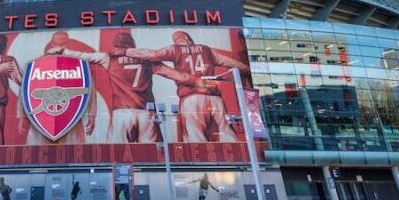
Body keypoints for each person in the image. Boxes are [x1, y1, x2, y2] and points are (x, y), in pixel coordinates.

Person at [49, 31, 215, 143]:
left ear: (116, 46)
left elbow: (83, 56)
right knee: (153, 159)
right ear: (132, 46)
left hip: (121, 113)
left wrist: (62, 51)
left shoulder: (108, 58)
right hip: (147, 114)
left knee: (116, 158)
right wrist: (201, 82)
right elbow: (178, 76)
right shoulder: (148, 61)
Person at [117, 31, 249, 142]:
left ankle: (201, 172)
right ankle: (246, 161)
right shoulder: (207, 50)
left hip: (191, 97)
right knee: (226, 132)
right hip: (214, 97)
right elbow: (234, 64)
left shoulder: (175, 49)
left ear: (179, 40)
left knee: (194, 137)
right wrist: (251, 70)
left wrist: (126, 51)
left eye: (175, 39)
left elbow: (152, 55)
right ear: (188, 39)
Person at [21, 31, 98, 145]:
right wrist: (22, 116)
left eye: (64, 44)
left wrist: (92, 114)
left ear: (69, 44)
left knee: (76, 154)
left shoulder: (78, 64)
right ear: (52, 44)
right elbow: (26, 89)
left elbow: (89, 88)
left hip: (72, 119)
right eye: (58, 44)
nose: (60, 47)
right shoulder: (38, 63)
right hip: (41, 121)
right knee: (35, 155)